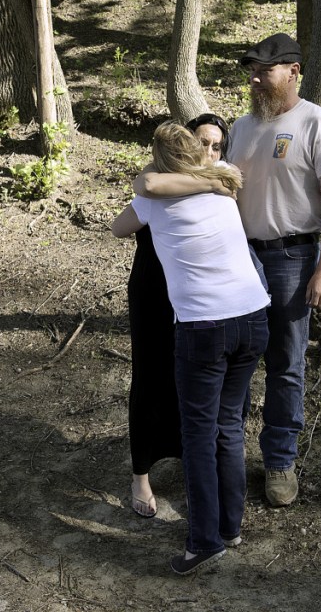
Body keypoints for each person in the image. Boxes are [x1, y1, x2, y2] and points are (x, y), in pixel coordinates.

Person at [136, 33, 321, 507]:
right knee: (229, 360)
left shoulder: (317, 123)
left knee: (285, 364)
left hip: (294, 259)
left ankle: (279, 460)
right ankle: (224, 455)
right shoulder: (241, 126)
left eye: (265, 70)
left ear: (294, 71)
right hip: (241, 259)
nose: (255, 78)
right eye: (251, 70)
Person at [113, 122, 270, 575]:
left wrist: (150, 180)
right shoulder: (222, 180)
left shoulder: (150, 198)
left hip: (205, 326)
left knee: (199, 435)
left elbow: (117, 228)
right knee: (228, 427)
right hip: (253, 316)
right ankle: (230, 525)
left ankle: (204, 541)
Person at [127, 113, 232, 519]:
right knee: (150, 374)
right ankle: (141, 474)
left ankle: (193, 463)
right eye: (201, 142)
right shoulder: (162, 182)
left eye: (216, 145)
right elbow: (129, 211)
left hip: (197, 296)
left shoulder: (224, 182)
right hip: (154, 292)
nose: (208, 152)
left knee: (193, 383)